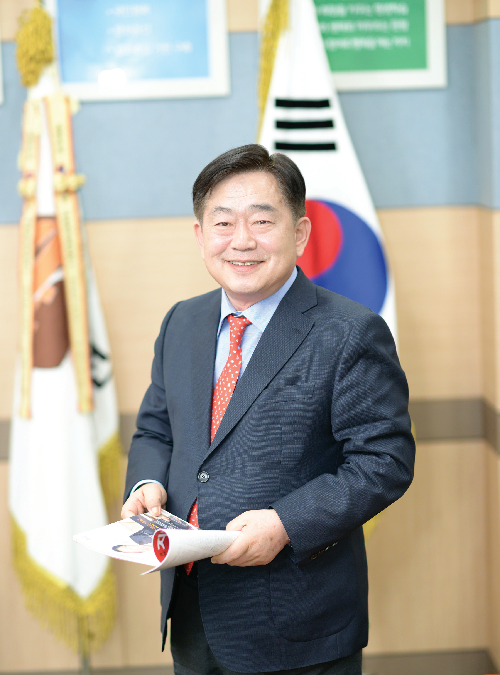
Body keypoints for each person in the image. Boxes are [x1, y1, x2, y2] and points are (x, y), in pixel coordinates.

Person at [122, 144, 415, 675]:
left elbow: (384, 461)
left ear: (300, 233)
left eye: (261, 221)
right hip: (192, 612)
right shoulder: (181, 322)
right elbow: (157, 428)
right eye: (223, 223)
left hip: (298, 625)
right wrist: (146, 485)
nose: (242, 241)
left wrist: (285, 523)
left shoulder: (350, 331)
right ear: (200, 236)